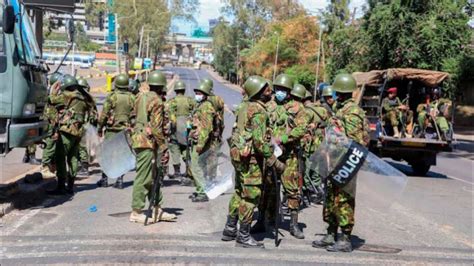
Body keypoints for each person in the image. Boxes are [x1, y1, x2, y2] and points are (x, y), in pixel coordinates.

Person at [222, 75, 284, 248]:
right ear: (258, 92)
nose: (270, 92)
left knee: (238, 192)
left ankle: (229, 228)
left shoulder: (244, 107)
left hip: (240, 158)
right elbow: (259, 142)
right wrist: (274, 161)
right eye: (266, 89)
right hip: (252, 162)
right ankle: (243, 236)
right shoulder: (258, 111)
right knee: (250, 197)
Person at [312, 73, 369, 252]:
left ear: (341, 92)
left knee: (343, 199)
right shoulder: (340, 109)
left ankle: (344, 238)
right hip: (333, 161)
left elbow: (353, 140)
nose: (334, 95)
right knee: (330, 198)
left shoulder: (352, 111)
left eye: (336, 92)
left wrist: (333, 138)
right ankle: (331, 233)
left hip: (346, 163)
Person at [129, 71, 176, 224]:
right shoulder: (156, 101)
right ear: (162, 86)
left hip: (139, 139)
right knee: (143, 176)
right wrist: (164, 147)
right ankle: (136, 211)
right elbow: (156, 128)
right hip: (147, 142)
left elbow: (133, 117)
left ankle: (157, 208)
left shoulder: (139, 97)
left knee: (153, 176)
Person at [47, 75, 94, 195]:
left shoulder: (67, 95)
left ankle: (61, 186)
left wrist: (53, 89)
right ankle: (71, 186)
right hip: (78, 132)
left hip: (67, 131)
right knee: (73, 158)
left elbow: (51, 100)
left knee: (60, 157)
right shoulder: (84, 97)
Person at [97, 74, 135, 188]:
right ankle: (120, 181)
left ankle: (104, 180)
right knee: (122, 155)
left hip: (111, 130)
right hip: (125, 130)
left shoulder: (112, 97)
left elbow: (104, 114)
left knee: (107, 154)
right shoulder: (132, 97)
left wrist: (100, 127)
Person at [188, 82, 217, 202]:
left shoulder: (206, 107)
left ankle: (202, 192)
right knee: (198, 166)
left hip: (201, 142)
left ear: (205, 95)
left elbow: (206, 127)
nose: (197, 95)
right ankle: (200, 189)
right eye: (196, 93)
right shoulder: (200, 105)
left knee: (196, 167)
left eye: (199, 93)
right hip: (195, 140)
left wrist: (200, 143)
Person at [301, 89, 329, 204]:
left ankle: (310, 191)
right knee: (317, 169)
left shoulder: (306, 111)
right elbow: (327, 124)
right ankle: (318, 188)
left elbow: (303, 128)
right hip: (321, 143)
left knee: (307, 169)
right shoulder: (322, 110)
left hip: (310, 144)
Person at [166, 80, 195, 182]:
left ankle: (177, 172)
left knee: (174, 148)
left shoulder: (171, 101)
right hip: (186, 129)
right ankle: (189, 172)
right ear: (184, 89)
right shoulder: (190, 100)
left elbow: (168, 115)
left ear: (175, 90)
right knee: (186, 150)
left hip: (175, 129)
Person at [40, 73, 63, 178]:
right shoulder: (51, 95)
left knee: (53, 146)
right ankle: (44, 168)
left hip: (53, 123)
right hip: (50, 124)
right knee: (49, 145)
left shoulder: (54, 94)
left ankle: (52, 167)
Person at [76, 77, 98, 177]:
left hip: (80, 125)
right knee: (81, 146)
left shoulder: (77, 98)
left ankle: (84, 167)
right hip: (84, 125)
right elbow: (95, 116)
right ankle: (81, 165)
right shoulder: (89, 99)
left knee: (81, 146)